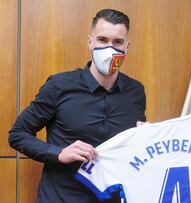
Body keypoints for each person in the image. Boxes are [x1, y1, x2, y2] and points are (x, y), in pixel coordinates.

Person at [9, 9, 146, 203]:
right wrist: (58, 153)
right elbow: (17, 134)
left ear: (127, 46)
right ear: (90, 42)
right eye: (102, 40)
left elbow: (133, 150)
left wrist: (153, 135)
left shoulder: (136, 92)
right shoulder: (59, 86)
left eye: (117, 42)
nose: (110, 48)